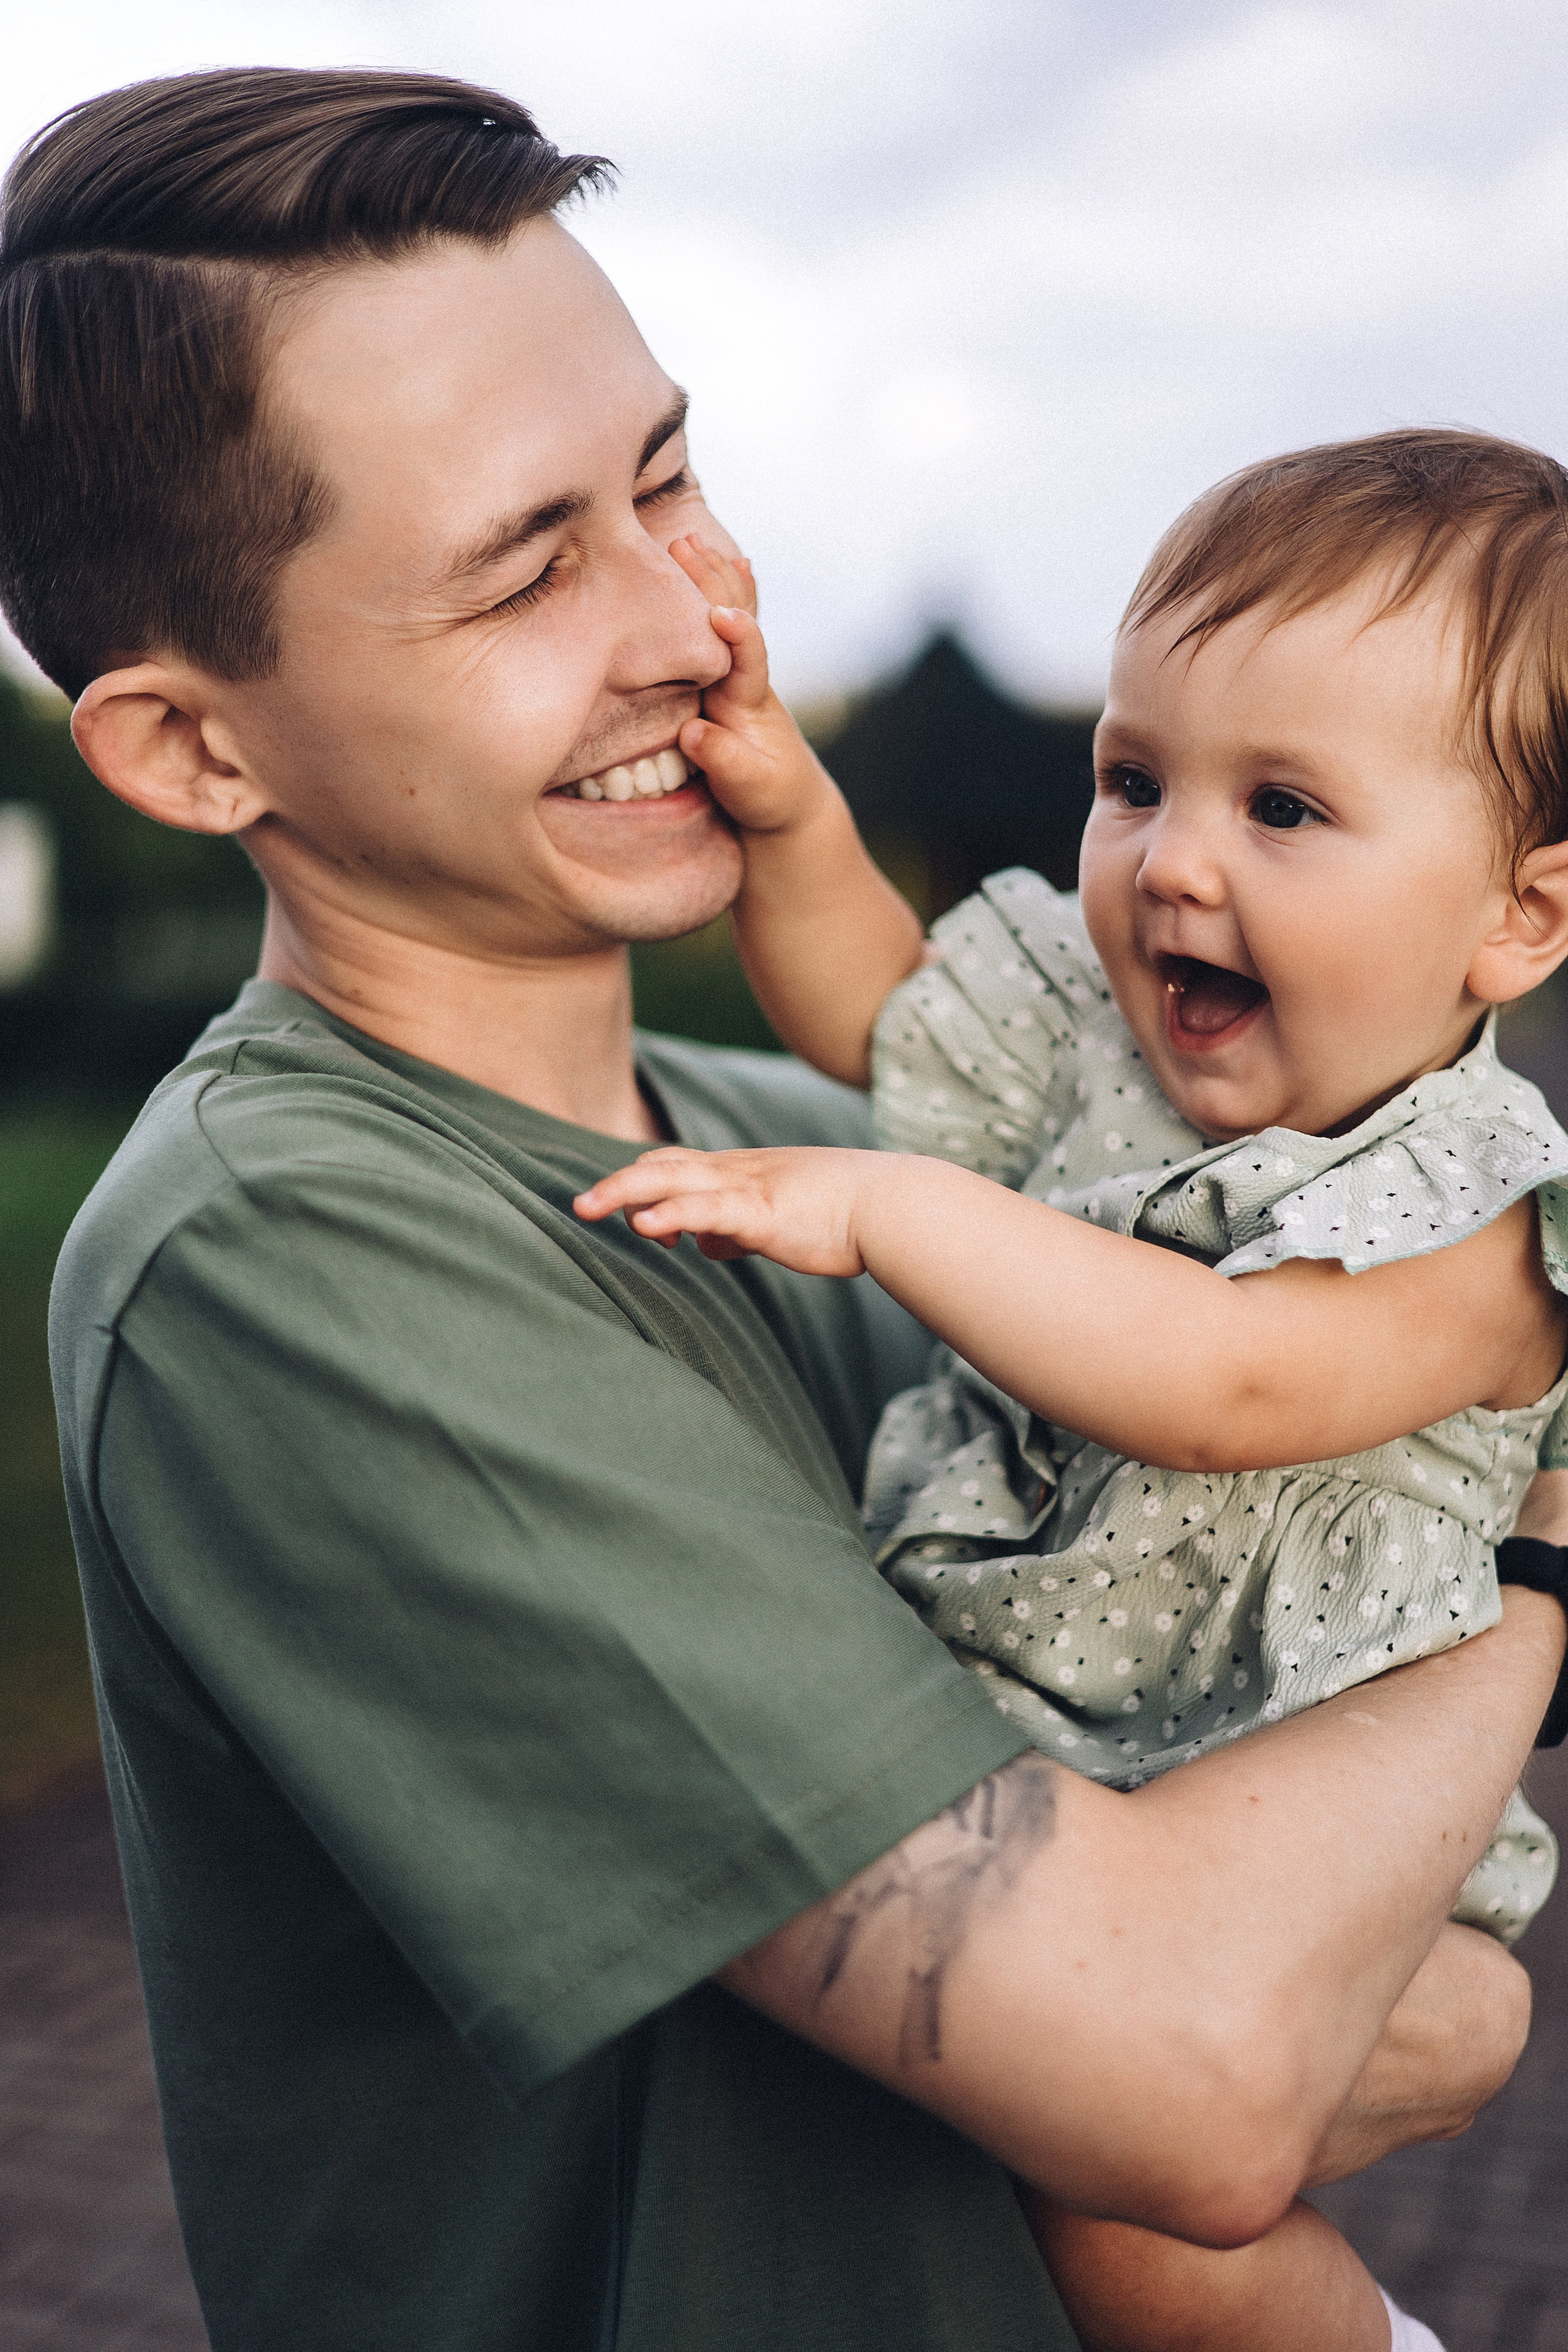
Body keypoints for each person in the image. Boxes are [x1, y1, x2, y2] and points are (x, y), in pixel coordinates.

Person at [5, 64, 1559, 2352]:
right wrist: (1533, 1563)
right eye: (532, 565)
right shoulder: (288, 1264)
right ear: (192, 753)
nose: (693, 622)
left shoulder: (812, 1137)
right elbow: (1199, 2076)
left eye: (665, 480)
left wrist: (1375, 1983)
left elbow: (1404, 2032)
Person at [576, 432, 1568, 2351]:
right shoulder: (1097, 1041)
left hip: (1275, 1811)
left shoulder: (1475, 1208)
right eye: (1135, 778)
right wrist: (791, 823)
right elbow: (881, 1006)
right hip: (1042, 1760)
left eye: (1284, 807)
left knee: (1121, 2238)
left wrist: (891, 1208)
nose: (1173, 856)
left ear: (1517, 920)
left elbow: (1220, 1377)